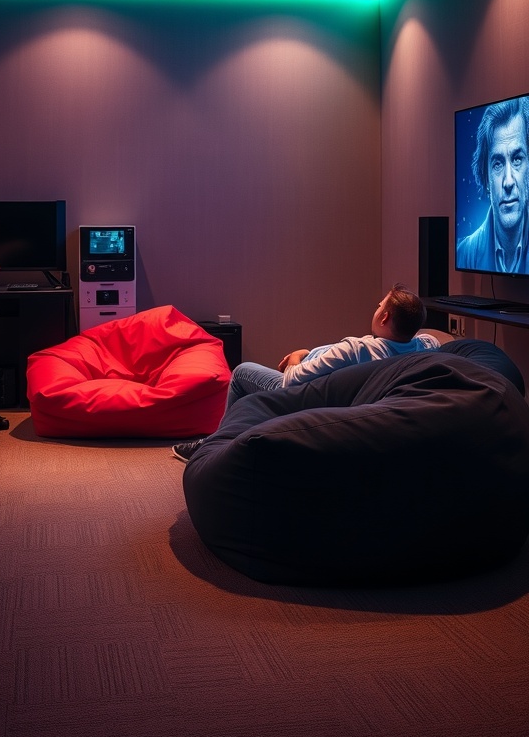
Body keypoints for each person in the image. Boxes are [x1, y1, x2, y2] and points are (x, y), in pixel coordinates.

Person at [172, 284, 440, 462]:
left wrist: (298, 356)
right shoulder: (425, 346)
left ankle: (213, 446)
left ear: (384, 318)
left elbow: (291, 382)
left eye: (379, 306)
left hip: (308, 396)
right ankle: (235, 440)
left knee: (242, 372)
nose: (377, 309)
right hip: (349, 405)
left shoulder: (356, 350)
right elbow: (438, 339)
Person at [457, 95, 529, 273]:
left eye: (517, 159)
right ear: (486, 178)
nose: (508, 181)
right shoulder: (464, 253)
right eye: (497, 164)